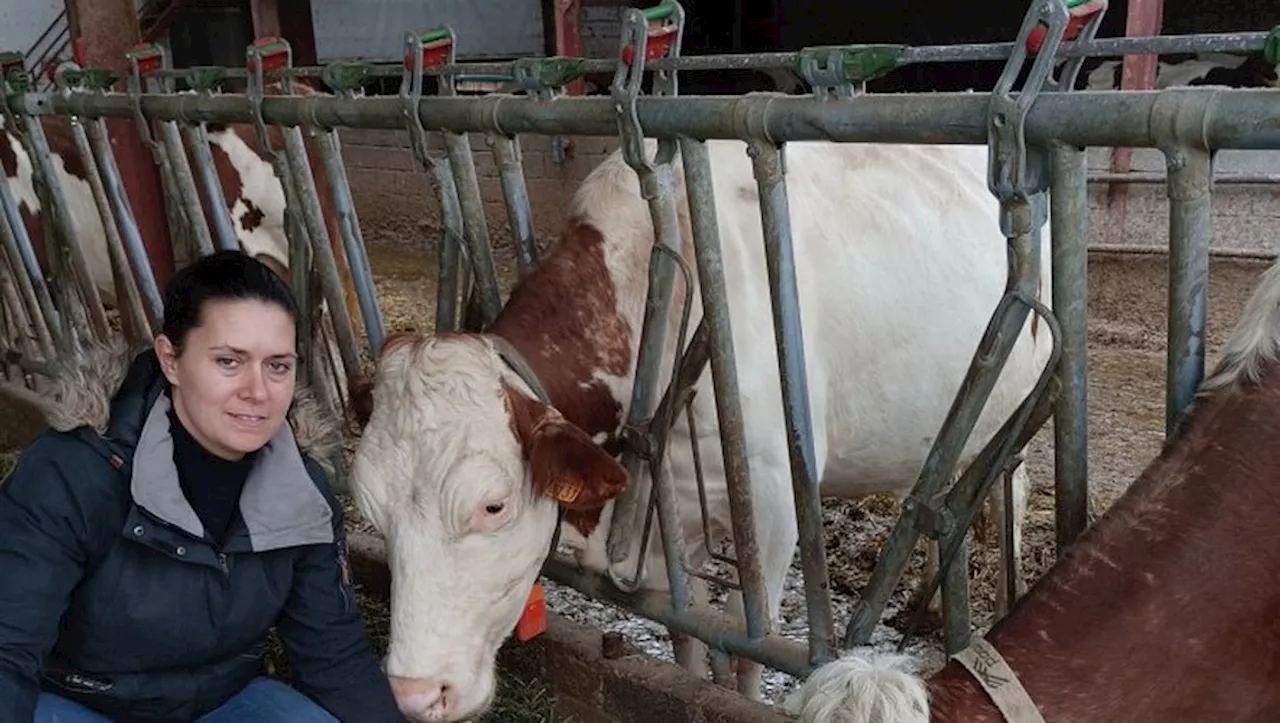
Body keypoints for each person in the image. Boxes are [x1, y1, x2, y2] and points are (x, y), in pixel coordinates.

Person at [0, 251, 404, 722]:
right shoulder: (76, 471)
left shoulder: (302, 494)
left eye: (277, 366)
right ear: (171, 359)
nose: (258, 391)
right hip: (81, 700)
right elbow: (8, 647)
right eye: (230, 361)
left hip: (223, 701)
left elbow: (333, 653)